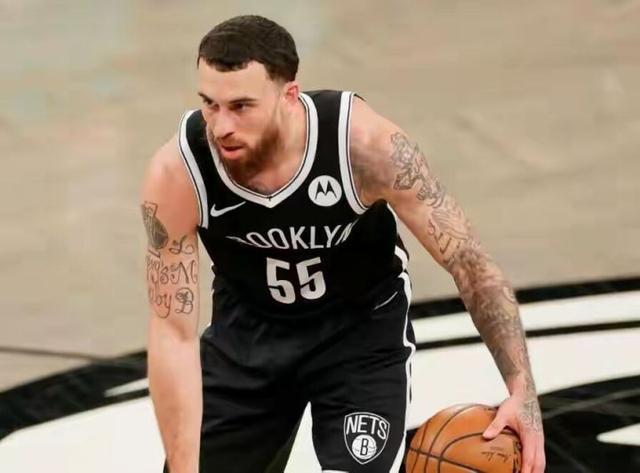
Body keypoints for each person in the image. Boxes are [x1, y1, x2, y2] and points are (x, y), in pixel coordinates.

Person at [141, 14, 545, 473]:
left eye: (241, 106)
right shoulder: (179, 172)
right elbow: (172, 333)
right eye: (210, 105)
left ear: (289, 96)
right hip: (247, 336)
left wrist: (523, 391)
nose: (221, 127)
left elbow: (468, 261)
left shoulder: (364, 146)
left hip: (359, 335)